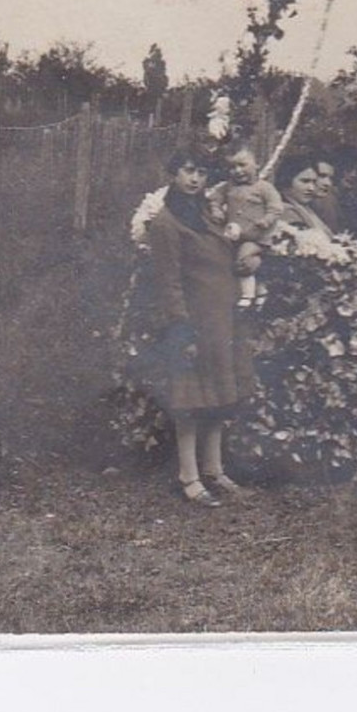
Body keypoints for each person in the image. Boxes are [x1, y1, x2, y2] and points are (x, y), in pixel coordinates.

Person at [146, 145, 256, 508]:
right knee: (191, 400)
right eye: (188, 171)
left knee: (218, 397)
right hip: (193, 323)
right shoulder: (166, 222)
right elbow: (169, 282)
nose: (195, 179)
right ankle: (189, 476)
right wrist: (181, 329)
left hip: (221, 319)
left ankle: (214, 469)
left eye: (202, 172)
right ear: (173, 174)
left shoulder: (208, 214)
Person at [208, 143, 284, 307]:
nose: (237, 171)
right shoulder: (228, 186)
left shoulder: (264, 188)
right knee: (236, 258)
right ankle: (261, 291)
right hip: (236, 236)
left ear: (256, 164)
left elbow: (276, 207)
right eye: (232, 167)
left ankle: (247, 295)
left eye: (242, 165)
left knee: (244, 258)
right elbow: (214, 198)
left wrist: (266, 220)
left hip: (258, 236)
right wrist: (217, 210)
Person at [276, 154, 332, 235]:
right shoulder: (285, 211)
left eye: (314, 182)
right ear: (287, 180)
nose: (311, 188)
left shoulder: (307, 208)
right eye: (305, 181)